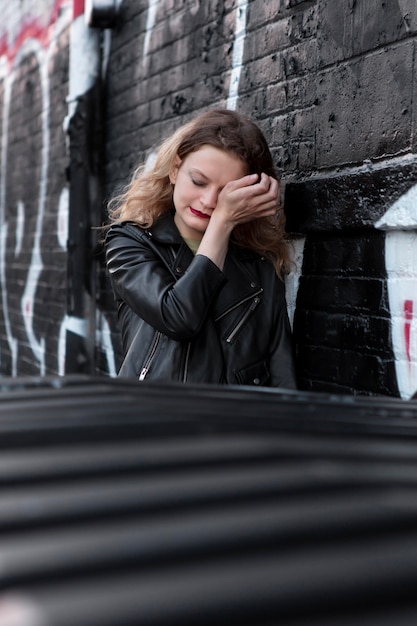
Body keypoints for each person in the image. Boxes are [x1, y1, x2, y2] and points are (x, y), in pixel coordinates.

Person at [105, 108, 297, 388]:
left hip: (234, 426)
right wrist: (222, 219)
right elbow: (178, 318)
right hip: (151, 420)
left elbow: (282, 375)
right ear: (174, 169)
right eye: (198, 181)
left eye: (225, 192)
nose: (208, 201)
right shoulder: (132, 242)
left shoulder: (259, 266)